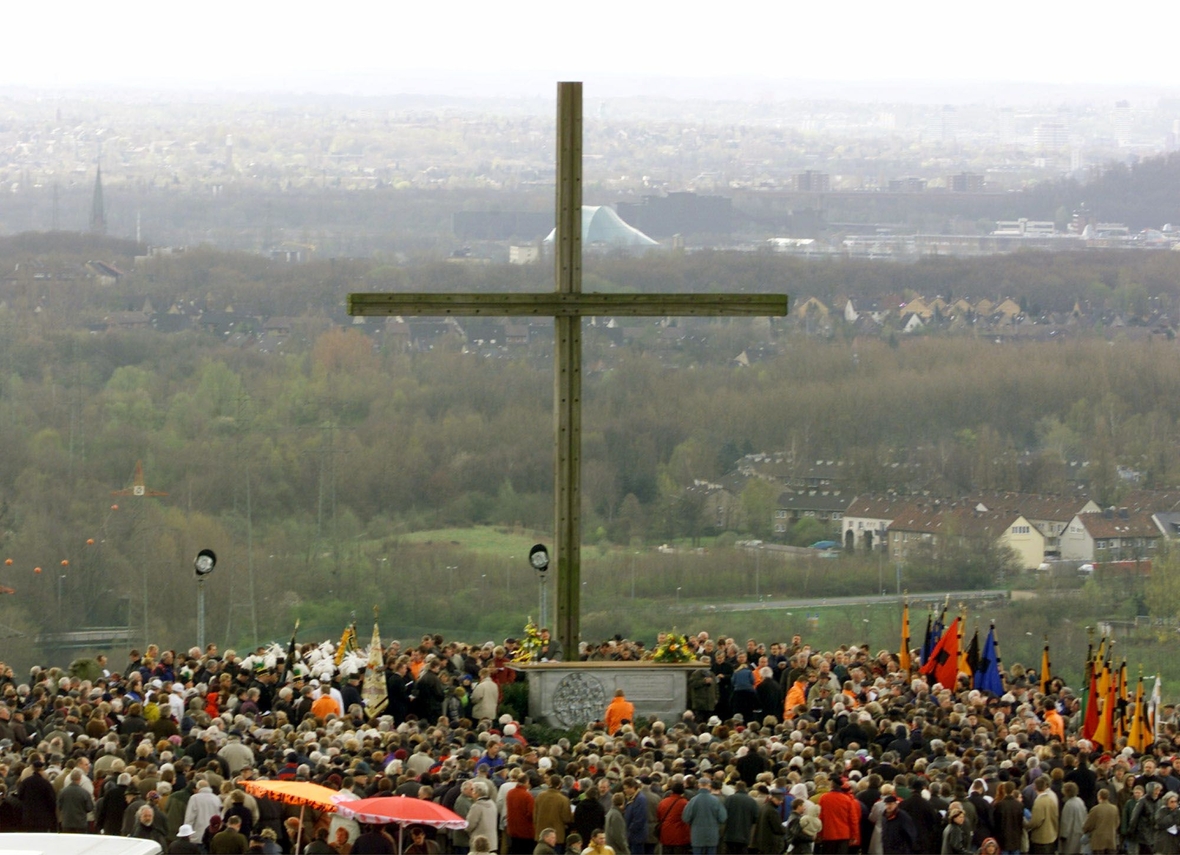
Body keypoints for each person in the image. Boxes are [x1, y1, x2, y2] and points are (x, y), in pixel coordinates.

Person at [681, 778, 727, 855]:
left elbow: (685, 818)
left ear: (698, 785)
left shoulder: (693, 800)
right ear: (709, 786)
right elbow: (723, 818)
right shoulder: (716, 800)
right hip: (712, 835)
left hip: (697, 835)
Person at [1082, 787, 1120, 855]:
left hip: (1098, 842)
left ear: (1099, 797)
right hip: (1111, 840)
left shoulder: (1095, 809)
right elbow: (1117, 823)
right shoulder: (1114, 808)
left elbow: (1088, 825)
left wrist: (1085, 830)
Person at [57, 767, 95, 833]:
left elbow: (59, 805)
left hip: (66, 823)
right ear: (80, 778)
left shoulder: (62, 792)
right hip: (80, 824)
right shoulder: (84, 793)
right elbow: (89, 808)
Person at [752, 788, 787, 854]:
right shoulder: (772, 811)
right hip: (771, 844)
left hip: (762, 843)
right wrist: (786, 828)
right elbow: (778, 829)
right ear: (772, 798)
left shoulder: (763, 807)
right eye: (779, 799)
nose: (781, 802)